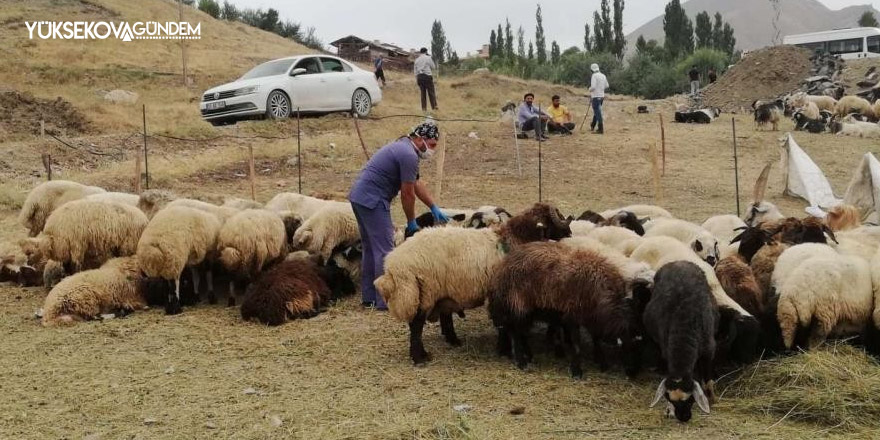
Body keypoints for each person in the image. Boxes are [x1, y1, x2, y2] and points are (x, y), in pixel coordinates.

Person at [348, 122, 449, 310]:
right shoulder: (408, 155)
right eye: (432, 144)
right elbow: (407, 193)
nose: (432, 150)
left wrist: (433, 206)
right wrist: (411, 221)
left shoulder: (404, 148)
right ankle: (383, 300)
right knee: (385, 250)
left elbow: (416, 183)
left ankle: (369, 297)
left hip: (360, 197)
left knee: (370, 248)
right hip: (373, 200)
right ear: (419, 138)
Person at [414, 48, 438, 112]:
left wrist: (417, 79)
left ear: (420, 52)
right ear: (426, 52)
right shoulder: (428, 58)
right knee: (431, 93)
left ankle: (424, 109)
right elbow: (433, 67)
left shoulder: (416, 60)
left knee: (423, 94)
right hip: (427, 77)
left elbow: (415, 72)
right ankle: (434, 108)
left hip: (419, 77)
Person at [589, 63, 609, 134]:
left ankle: (601, 129)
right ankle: (592, 125)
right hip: (602, 96)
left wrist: (589, 89)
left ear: (592, 70)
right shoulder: (603, 75)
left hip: (595, 96)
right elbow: (607, 85)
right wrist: (601, 88)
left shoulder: (594, 75)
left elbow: (593, 87)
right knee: (597, 111)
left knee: (597, 112)